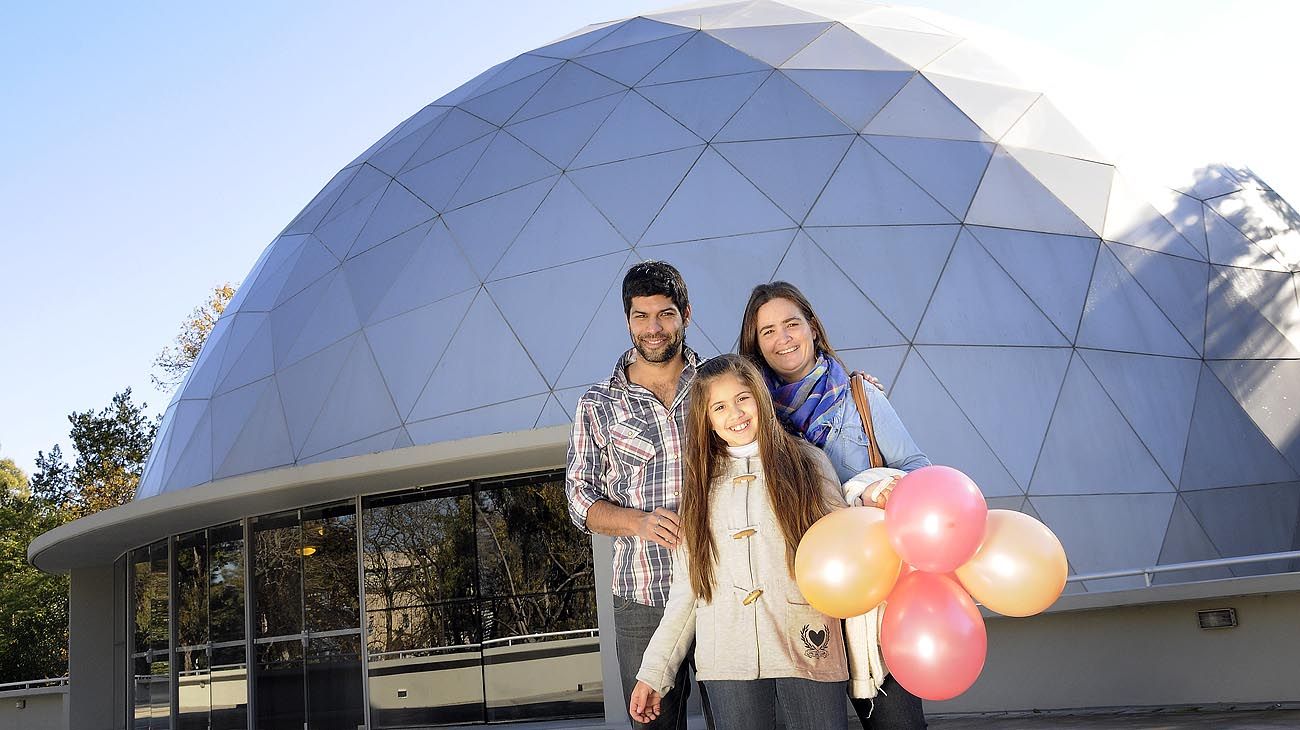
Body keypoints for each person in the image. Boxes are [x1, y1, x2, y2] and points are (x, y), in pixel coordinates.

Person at [738, 281, 931, 729]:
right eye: (767, 331)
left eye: (791, 324)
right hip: (796, 591)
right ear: (755, 344)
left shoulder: (860, 396)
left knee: (895, 718)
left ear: (812, 328)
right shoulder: (753, 418)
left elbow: (919, 470)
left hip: (869, 584)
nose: (782, 338)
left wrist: (881, 488)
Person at [629, 354, 851, 730]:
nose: (735, 413)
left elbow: (845, 553)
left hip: (807, 642)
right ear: (708, 421)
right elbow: (689, 592)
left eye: (742, 397)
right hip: (727, 656)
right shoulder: (700, 489)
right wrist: (654, 671)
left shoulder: (809, 464)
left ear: (760, 398)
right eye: (719, 406)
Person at [565, 261, 712, 730]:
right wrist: (639, 523)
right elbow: (578, 498)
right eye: (641, 316)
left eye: (665, 314)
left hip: (719, 586)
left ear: (686, 314)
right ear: (627, 320)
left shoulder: (719, 385)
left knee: (735, 718)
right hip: (642, 596)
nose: (654, 328)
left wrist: (855, 385)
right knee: (653, 723)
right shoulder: (598, 403)